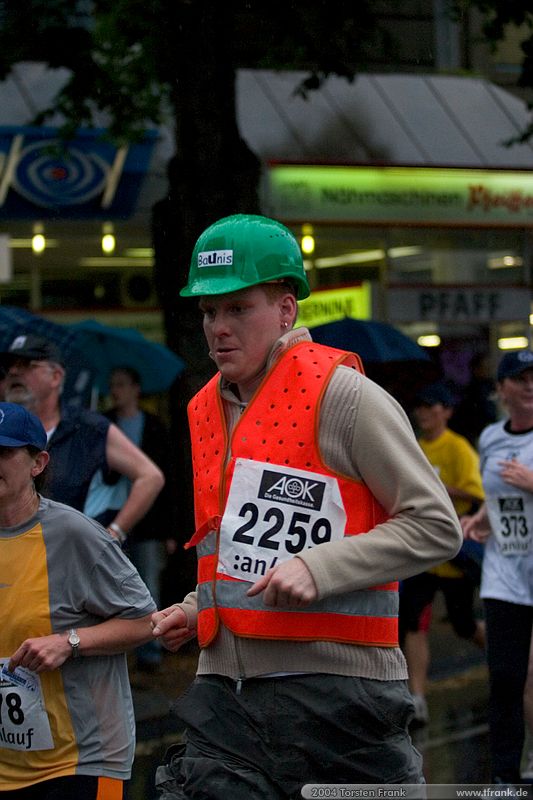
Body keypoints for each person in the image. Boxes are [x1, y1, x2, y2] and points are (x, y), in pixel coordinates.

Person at [150, 213, 462, 798]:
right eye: (208, 311)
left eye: (238, 308)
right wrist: (197, 609)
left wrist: (318, 568)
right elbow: (236, 546)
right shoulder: (203, 409)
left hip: (340, 695)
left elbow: (436, 527)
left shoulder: (344, 396)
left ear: (287, 308)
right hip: (225, 694)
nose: (218, 327)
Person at [0, 402, 156, 799]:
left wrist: (68, 642)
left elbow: (145, 621)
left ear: (38, 463)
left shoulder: (74, 534)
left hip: (79, 761)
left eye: (4, 452)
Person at [0, 334, 165, 544]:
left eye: (26, 364)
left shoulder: (89, 428)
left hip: (73, 561)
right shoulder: (3, 426)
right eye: (8, 367)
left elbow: (150, 477)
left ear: (56, 377)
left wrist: (113, 533)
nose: (14, 372)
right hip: (13, 556)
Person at [462, 349, 533, 785]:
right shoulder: (490, 438)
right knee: (505, 678)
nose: (529, 386)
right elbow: (496, 496)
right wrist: (480, 519)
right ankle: (505, 776)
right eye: (520, 379)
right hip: (504, 574)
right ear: (501, 389)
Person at [400, 381, 485, 726]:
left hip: (454, 554)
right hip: (422, 553)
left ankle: (513, 662)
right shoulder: (414, 447)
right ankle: (416, 697)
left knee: (463, 623)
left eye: (431, 407)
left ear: (446, 411)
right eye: (420, 407)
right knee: (413, 622)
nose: (424, 414)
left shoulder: (458, 448)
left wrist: (439, 488)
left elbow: (476, 495)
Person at [85, 365, 176, 672]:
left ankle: (150, 650)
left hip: (148, 522)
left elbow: (167, 478)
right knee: (110, 585)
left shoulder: (153, 425)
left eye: (122, 384)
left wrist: (170, 530)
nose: (116, 390)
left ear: (136, 388)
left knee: (148, 583)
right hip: (110, 516)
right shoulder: (102, 424)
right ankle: (116, 648)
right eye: (113, 385)